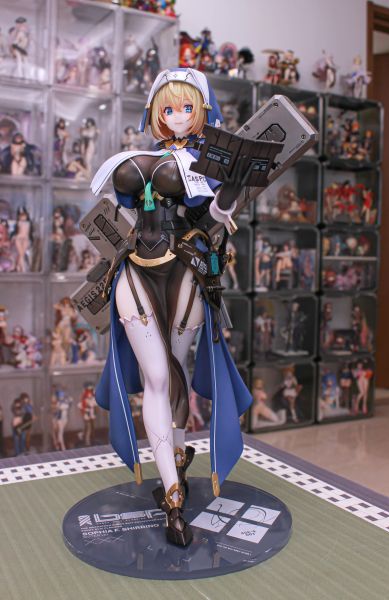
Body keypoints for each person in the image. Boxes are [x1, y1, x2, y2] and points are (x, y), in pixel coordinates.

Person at [90, 68, 252, 547]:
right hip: (135, 268)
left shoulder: (204, 163)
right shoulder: (143, 158)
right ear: (155, 113)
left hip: (184, 266)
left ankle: (176, 460)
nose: (178, 116)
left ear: (201, 110)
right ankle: (174, 494)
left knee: (175, 371)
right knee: (156, 379)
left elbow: (217, 216)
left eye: (186, 107)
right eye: (168, 108)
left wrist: (232, 187)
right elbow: (115, 214)